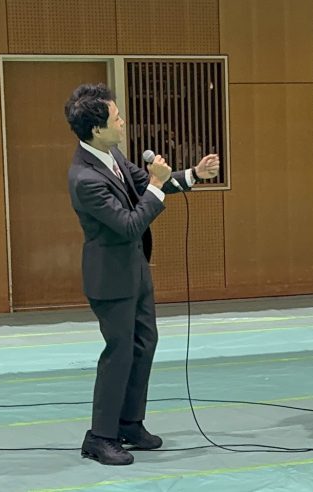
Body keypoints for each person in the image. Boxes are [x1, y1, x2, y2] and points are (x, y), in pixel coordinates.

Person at [64, 83, 220, 465]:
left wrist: (193, 174)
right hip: (110, 279)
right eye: (116, 118)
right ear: (97, 128)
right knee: (118, 353)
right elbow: (130, 223)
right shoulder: (85, 178)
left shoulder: (111, 154)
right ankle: (100, 436)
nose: (123, 122)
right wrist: (156, 184)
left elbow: (144, 184)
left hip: (135, 271)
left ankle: (130, 423)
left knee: (144, 344)